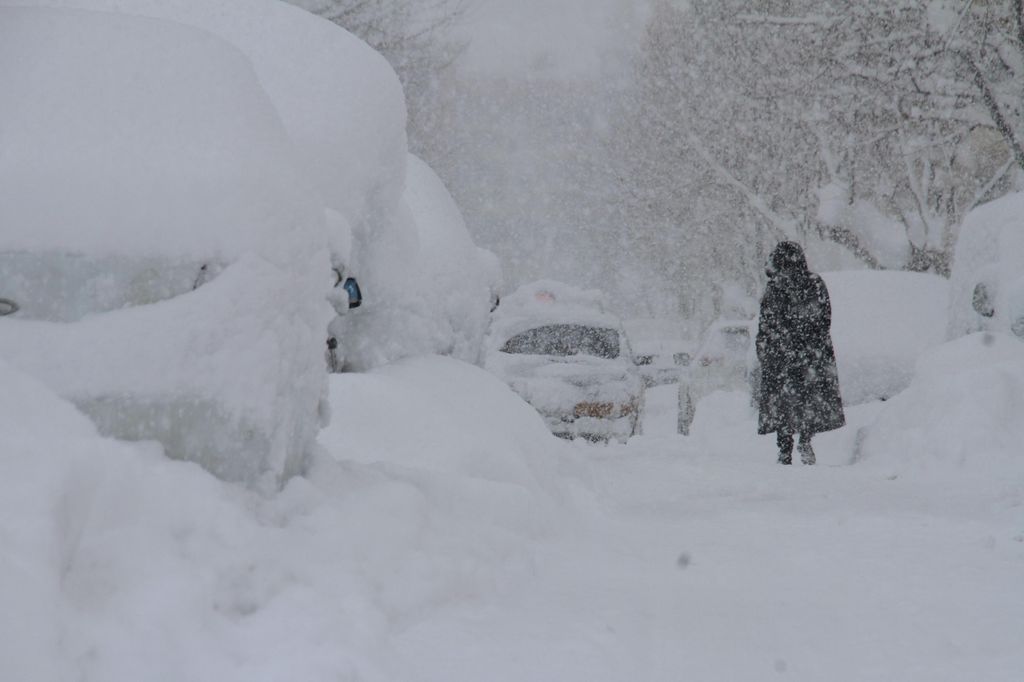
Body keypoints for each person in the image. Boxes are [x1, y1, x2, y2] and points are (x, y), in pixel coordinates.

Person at [756, 241, 845, 465]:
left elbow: (767, 323)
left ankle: (784, 448)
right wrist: (811, 343)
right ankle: (805, 439)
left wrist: (767, 347)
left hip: (782, 355)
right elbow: (825, 317)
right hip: (810, 355)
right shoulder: (814, 283)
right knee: (808, 400)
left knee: (784, 402)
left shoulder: (775, 287)